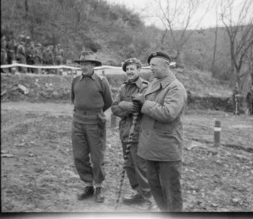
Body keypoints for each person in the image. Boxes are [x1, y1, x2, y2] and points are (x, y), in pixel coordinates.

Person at [132, 51, 187, 212]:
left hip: (166, 150)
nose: (151, 69)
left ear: (165, 66)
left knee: (171, 192)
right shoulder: (153, 83)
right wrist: (137, 105)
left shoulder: (176, 87)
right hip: (150, 148)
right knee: (156, 189)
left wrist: (145, 104)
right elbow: (146, 104)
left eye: (154, 66)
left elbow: (168, 113)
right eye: (150, 66)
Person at [71, 51, 113, 203]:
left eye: (87, 64)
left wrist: (95, 113)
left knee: (97, 157)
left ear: (94, 65)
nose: (84, 66)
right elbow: (73, 99)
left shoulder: (102, 81)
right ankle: (88, 186)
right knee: (79, 156)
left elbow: (108, 102)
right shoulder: (75, 80)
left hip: (95, 123)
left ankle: (99, 187)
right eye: (82, 64)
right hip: (78, 122)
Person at [111, 58, 151, 206]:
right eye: (127, 69)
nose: (129, 71)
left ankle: (146, 196)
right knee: (128, 164)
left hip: (138, 131)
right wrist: (125, 106)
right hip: (125, 131)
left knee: (140, 165)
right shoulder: (123, 88)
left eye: (132, 69)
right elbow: (114, 108)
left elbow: (143, 108)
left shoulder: (145, 87)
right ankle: (137, 192)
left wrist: (129, 107)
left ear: (139, 70)